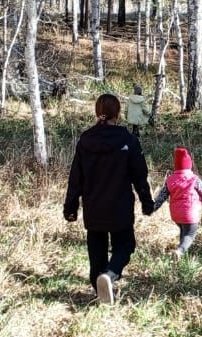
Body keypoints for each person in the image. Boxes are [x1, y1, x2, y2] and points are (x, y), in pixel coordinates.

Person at [63, 94, 155, 304]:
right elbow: (140, 175)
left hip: (93, 208)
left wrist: (70, 207)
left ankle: (100, 291)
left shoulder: (86, 140)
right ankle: (111, 274)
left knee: (97, 251)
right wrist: (147, 202)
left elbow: (76, 178)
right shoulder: (128, 140)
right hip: (120, 207)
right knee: (126, 244)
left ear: (98, 113)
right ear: (118, 113)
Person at [149, 147, 202, 258]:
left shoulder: (170, 180)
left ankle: (180, 255)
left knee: (184, 231)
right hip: (190, 214)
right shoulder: (194, 179)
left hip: (176, 215)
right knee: (190, 234)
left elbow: (161, 198)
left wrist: (152, 208)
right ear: (189, 165)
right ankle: (180, 251)